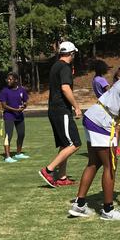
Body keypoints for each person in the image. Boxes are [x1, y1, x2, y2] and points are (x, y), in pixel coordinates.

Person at [68, 54, 120, 220]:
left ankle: (79, 205)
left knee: (94, 163)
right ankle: (108, 210)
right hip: (102, 123)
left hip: (93, 118)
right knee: (110, 165)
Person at [39, 41, 83, 187]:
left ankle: (62, 177)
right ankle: (48, 170)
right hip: (61, 110)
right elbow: (65, 88)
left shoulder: (55, 66)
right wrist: (76, 106)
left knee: (65, 145)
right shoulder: (64, 67)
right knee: (75, 143)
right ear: (71, 53)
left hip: (54, 109)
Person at [0, 72, 29, 163]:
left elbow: (25, 101)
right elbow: (4, 105)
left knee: (21, 134)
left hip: (19, 116)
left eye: (10, 79)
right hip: (9, 116)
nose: (8, 81)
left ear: (16, 80)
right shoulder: (5, 91)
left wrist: (24, 106)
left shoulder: (22, 90)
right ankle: (7, 157)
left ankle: (18, 153)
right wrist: (15, 110)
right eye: (7, 79)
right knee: (8, 135)